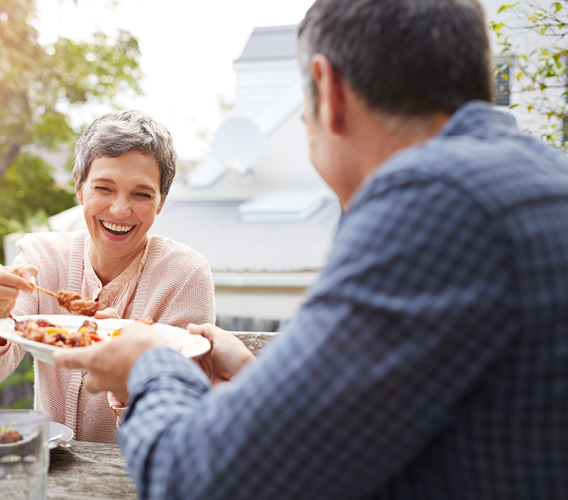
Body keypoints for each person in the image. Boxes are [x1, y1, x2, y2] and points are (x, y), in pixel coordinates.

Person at [54, 0, 568, 498]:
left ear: (328, 88)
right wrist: (257, 380)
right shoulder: (540, 179)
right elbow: (377, 429)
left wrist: (150, 366)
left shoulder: (431, 201)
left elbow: (201, 478)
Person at [0, 110, 215, 444]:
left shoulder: (185, 275)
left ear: (161, 202)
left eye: (141, 194)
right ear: (79, 189)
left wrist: (132, 376)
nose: (121, 210)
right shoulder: (42, 258)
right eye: (103, 188)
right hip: (49, 473)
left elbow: (180, 428)